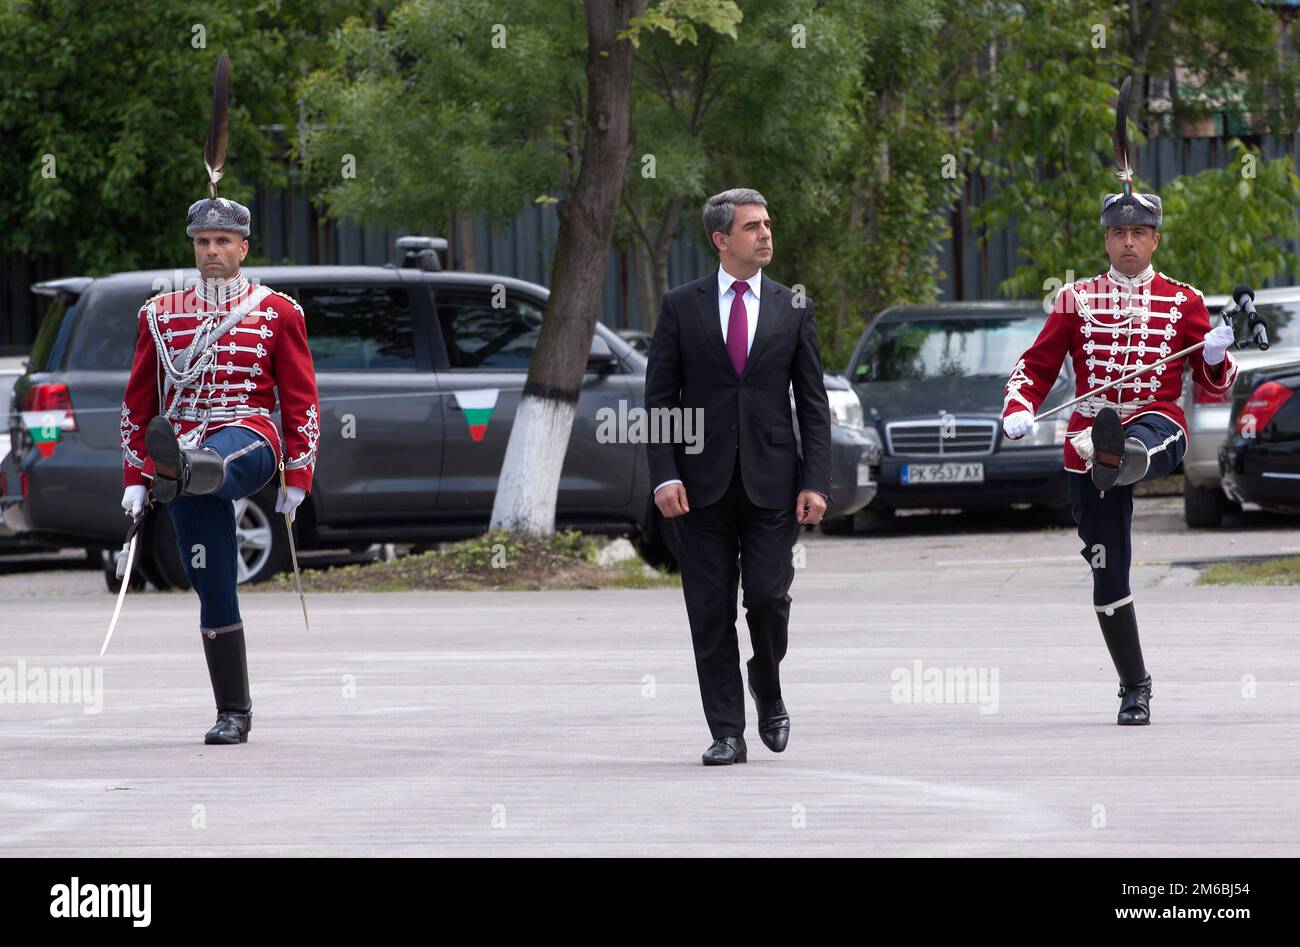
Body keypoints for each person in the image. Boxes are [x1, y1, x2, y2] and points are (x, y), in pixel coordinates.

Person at [118, 51, 319, 744]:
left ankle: (187, 468)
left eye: (222, 240)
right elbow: (137, 403)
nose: (211, 251)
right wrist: (137, 479)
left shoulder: (275, 312)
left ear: (243, 245)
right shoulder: (158, 312)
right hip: (176, 453)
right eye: (202, 240)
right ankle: (233, 710)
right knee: (213, 583)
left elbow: (302, 402)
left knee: (221, 461)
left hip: (251, 438)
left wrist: (298, 477)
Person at [1001, 147, 1236, 726]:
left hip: (1157, 423)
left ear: (1155, 239)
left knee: (1146, 440)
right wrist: (1018, 406)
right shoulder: (1075, 298)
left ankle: (1124, 455)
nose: (1128, 242)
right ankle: (1135, 686)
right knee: (1109, 571)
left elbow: (1213, 385)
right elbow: (1036, 366)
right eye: (1119, 233)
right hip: (1086, 439)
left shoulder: (1185, 301)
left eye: (1139, 232)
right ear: (1106, 241)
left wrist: (1214, 352)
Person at [645, 188, 833, 765]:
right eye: (753, 227)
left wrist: (817, 481)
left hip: (774, 483)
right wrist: (663, 475)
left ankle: (766, 682)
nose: (766, 235)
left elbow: (813, 401)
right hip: (698, 493)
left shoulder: (792, 305)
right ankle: (727, 730)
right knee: (709, 610)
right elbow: (659, 399)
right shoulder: (682, 305)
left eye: (768, 224)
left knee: (770, 599)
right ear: (721, 240)